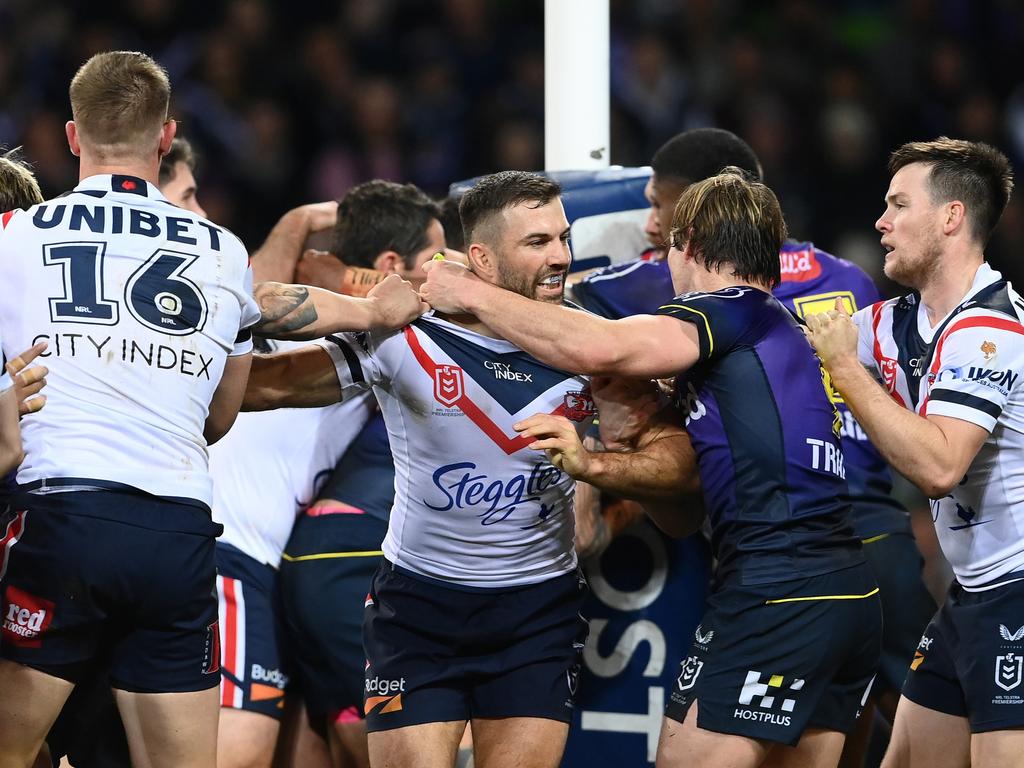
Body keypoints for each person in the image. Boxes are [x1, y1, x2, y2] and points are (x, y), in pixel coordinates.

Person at [0, 51, 422, 768]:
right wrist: (374, 306)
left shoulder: (18, 235)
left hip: (63, 519)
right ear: (165, 138)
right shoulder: (223, 253)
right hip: (177, 532)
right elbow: (222, 415)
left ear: (72, 137)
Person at [421, 169, 882, 768]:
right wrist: (607, 455)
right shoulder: (767, 334)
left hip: (777, 591)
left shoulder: (731, 311)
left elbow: (598, 347)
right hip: (843, 590)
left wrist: (473, 293)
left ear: (685, 243)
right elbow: (683, 517)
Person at [244, 171, 673, 768]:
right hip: (418, 611)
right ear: (481, 258)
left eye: (562, 238)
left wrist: (602, 463)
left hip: (538, 612)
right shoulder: (403, 336)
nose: (560, 258)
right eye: (537, 243)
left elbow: (678, 473)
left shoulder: (592, 349)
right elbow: (264, 385)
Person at [572, 128, 935, 759]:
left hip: (777, 562)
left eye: (662, 206)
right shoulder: (845, 276)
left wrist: (472, 289)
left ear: (700, 216)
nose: (651, 225)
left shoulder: (705, 297)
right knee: (906, 724)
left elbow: (581, 317)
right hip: (867, 540)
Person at [805, 137, 1024, 768]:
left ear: (950, 217)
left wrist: (847, 373)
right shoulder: (898, 322)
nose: (881, 221)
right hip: (973, 592)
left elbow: (938, 467)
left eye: (899, 204)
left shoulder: (991, 330)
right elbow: (801, 341)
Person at [277, 180, 447, 768]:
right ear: (395, 264)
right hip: (344, 554)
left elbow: (311, 273)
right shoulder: (386, 318)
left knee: (340, 743)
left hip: (303, 553)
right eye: (438, 259)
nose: (446, 272)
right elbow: (309, 276)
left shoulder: (351, 311)